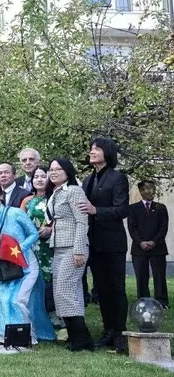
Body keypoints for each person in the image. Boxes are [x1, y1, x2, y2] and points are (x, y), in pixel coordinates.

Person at [0, 181, 55, 345]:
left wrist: (18, 249)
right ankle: (4, 334)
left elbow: (33, 234)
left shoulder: (15, 213)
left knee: (18, 299)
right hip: (6, 267)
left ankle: (27, 335)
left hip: (26, 264)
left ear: (0, 195)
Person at [81, 138, 130, 353]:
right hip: (93, 243)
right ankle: (108, 330)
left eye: (96, 149)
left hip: (113, 243)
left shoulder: (118, 178)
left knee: (116, 288)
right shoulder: (87, 180)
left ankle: (120, 333)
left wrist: (96, 211)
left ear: (107, 153)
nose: (92, 152)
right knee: (101, 289)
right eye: (91, 148)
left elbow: (122, 210)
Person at [44, 157, 94, 351]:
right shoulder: (56, 192)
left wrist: (79, 249)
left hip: (73, 248)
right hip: (59, 247)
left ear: (68, 172)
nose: (53, 172)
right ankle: (77, 338)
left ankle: (82, 339)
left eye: (58, 169)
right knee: (62, 293)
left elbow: (82, 221)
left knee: (66, 291)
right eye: (51, 169)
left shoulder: (74, 191)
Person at [21, 166, 61, 333]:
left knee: (51, 282)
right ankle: (35, 322)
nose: (38, 179)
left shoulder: (56, 198)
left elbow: (62, 220)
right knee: (34, 283)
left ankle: (56, 322)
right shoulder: (27, 201)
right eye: (36, 176)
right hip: (32, 248)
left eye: (43, 176)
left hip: (51, 247)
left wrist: (51, 230)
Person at [128, 180, 169, 308]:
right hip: (139, 249)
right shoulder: (133, 208)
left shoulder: (160, 207)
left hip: (158, 248)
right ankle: (143, 302)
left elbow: (163, 227)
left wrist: (154, 241)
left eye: (153, 188)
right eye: (147, 188)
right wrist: (141, 242)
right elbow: (132, 228)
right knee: (141, 277)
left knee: (159, 277)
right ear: (141, 191)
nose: (151, 191)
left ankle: (162, 302)